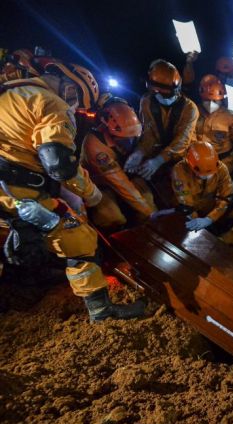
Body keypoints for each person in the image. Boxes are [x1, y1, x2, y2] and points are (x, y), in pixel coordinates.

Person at [0, 61, 144, 321]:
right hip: (16, 189)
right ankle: (101, 311)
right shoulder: (51, 104)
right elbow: (60, 165)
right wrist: (93, 195)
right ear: (70, 90)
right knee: (79, 238)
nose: (76, 108)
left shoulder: (11, 92)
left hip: (10, 188)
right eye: (77, 101)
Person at [124, 59, 198, 200]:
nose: (162, 97)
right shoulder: (147, 102)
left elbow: (182, 140)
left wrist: (159, 160)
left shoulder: (190, 108)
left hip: (183, 156)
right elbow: (149, 134)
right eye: (157, 92)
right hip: (159, 152)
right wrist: (139, 152)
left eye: (167, 94)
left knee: (184, 193)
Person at [82, 100, 156, 229]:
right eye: (125, 139)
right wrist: (151, 213)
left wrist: (141, 152)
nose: (130, 142)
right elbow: (120, 183)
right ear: (109, 131)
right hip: (98, 185)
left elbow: (148, 141)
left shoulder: (132, 130)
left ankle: (145, 229)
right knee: (112, 217)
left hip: (125, 176)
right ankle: (113, 240)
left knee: (148, 199)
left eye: (134, 138)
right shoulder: (96, 146)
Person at [171, 141, 233, 233]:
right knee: (191, 228)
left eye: (210, 173)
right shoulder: (179, 171)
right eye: (202, 173)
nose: (207, 176)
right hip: (189, 207)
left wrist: (210, 219)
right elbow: (186, 202)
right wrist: (198, 223)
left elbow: (227, 196)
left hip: (209, 204)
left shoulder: (221, 169)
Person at [195, 74, 233, 174]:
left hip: (223, 162)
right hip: (197, 161)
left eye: (215, 101)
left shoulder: (230, 118)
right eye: (207, 100)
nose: (211, 104)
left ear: (221, 99)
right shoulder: (194, 113)